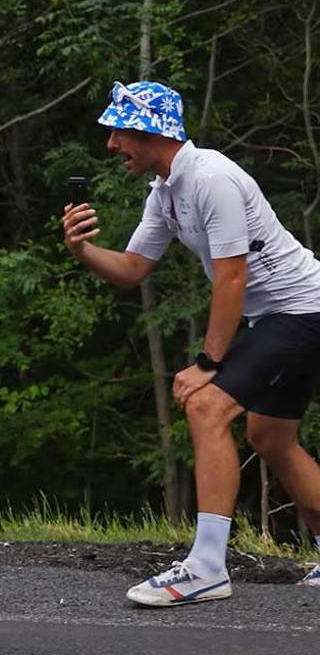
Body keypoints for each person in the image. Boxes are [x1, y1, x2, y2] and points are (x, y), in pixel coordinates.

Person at [62, 81, 320, 606]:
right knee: (270, 437)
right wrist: (82, 249)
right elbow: (133, 269)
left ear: (151, 131)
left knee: (205, 404)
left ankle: (205, 568)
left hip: (301, 311)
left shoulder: (211, 178)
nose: (111, 145)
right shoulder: (166, 192)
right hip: (281, 317)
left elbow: (231, 279)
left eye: (118, 132)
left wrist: (208, 362)